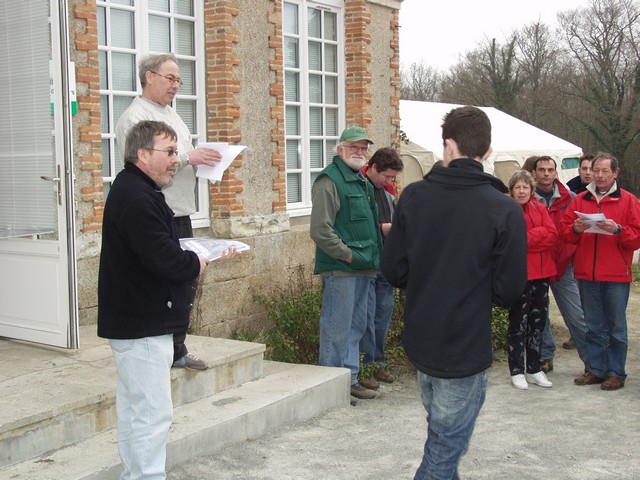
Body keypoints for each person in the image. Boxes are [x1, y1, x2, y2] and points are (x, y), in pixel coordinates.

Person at [381, 106, 527, 479]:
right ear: (488, 151)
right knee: (443, 452)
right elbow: (509, 290)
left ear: (448, 145)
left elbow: (394, 270)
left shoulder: (413, 197)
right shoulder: (504, 209)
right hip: (464, 345)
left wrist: (431, 279)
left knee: (443, 441)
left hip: (422, 339)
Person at [97, 120, 221, 478]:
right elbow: (164, 259)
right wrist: (197, 260)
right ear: (142, 154)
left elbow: (154, 249)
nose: (175, 160)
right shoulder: (138, 197)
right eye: (169, 152)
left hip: (136, 323)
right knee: (151, 416)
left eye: (176, 151)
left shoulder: (134, 189)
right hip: (143, 326)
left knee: (136, 413)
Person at [116, 53, 222, 371]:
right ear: (149, 77)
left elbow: (178, 160)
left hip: (180, 211)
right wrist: (190, 157)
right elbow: (147, 163)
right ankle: (169, 350)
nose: (176, 85)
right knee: (168, 282)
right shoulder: (136, 117)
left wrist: (205, 161)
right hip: (158, 213)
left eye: (179, 80)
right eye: (170, 78)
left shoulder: (172, 115)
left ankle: (177, 347)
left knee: (183, 285)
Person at [310, 126, 383, 401]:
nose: (360, 152)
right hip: (342, 268)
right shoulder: (328, 180)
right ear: (340, 149)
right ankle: (331, 387)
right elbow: (320, 230)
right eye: (354, 147)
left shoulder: (361, 179)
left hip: (364, 267)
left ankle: (349, 379)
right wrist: (348, 255)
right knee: (336, 328)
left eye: (364, 148)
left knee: (356, 326)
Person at [561, 153, 640, 391]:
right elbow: (565, 233)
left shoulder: (629, 201)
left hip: (616, 275)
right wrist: (575, 229)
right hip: (587, 273)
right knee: (593, 325)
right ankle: (595, 369)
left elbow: (637, 238)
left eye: (605, 171)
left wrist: (618, 230)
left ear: (615, 173)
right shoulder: (580, 200)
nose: (600, 175)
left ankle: (615, 372)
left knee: (616, 327)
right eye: (596, 171)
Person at [530, 156, 590, 371]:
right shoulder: (527, 199)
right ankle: (545, 355)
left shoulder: (570, 198)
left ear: (556, 173)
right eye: (542, 170)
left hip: (564, 264)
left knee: (576, 315)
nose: (546, 174)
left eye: (550, 170)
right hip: (537, 264)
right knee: (540, 315)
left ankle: (592, 361)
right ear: (534, 173)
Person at [358, 147, 403, 390]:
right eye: (387, 176)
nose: (389, 182)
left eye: (392, 178)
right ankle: (365, 367)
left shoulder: (386, 194)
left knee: (382, 318)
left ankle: (378, 363)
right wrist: (381, 229)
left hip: (385, 264)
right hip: (368, 264)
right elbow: (356, 228)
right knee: (366, 319)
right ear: (374, 168)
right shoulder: (360, 189)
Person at [507, 170, 557, 390]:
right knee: (518, 323)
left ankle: (535, 368)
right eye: (517, 187)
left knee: (538, 323)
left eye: (525, 187)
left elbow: (552, 235)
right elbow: (511, 240)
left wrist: (529, 239)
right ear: (511, 190)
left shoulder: (540, 208)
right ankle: (516, 370)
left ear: (531, 190)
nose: (521, 191)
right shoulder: (507, 210)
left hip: (542, 273)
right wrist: (539, 234)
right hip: (519, 274)